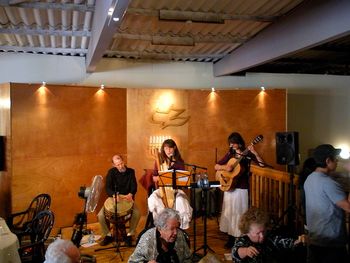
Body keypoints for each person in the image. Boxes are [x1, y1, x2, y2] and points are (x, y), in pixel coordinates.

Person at [215, 132, 264, 248]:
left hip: (241, 189)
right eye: (230, 143)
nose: (231, 145)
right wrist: (225, 167)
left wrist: (254, 152)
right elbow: (216, 166)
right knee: (229, 213)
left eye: (233, 143)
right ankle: (230, 239)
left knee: (239, 214)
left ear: (239, 143)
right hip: (229, 187)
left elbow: (262, 165)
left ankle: (240, 239)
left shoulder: (247, 154)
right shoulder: (230, 154)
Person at [303, 144, 350, 263]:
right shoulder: (328, 183)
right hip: (331, 244)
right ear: (328, 161)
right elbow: (348, 207)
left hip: (315, 239)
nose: (338, 160)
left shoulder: (309, 178)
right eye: (335, 158)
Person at [232, 207, 306, 263]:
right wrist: (245, 251)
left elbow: (282, 241)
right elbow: (235, 253)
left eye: (263, 231)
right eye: (258, 233)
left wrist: (297, 241)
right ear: (247, 232)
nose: (262, 236)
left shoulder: (269, 236)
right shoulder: (242, 240)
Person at [148, 139, 192, 229]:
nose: (168, 151)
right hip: (162, 190)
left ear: (174, 148)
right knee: (153, 198)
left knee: (180, 200)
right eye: (166, 148)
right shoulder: (159, 161)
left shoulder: (179, 162)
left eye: (170, 148)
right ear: (163, 149)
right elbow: (154, 178)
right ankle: (161, 226)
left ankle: (180, 227)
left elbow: (183, 179)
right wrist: (162, 177)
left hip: (175, 190)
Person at [97, 154, 141, 246]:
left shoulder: (131, 172)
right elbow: (108, 188)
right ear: (114, 165)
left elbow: (134, 186)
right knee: (100, 215)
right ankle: (108, 235)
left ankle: (129, 235)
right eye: (117, 165)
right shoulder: (111, 172)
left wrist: (131, 194)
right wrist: (114, 195)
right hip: (114, 197)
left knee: (137, 213)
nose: (120, 166)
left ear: (123, 161)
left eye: (121, 163)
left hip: (126, 197)